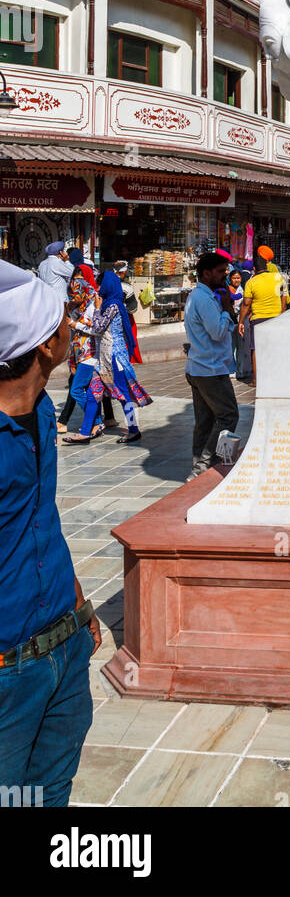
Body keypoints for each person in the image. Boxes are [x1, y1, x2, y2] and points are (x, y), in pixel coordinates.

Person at [0, 259, 101, 806]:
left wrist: (80, 608)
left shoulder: (39, 412)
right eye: (65, 319)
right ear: (45, 346)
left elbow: (42, 521)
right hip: (6, 672)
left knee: (49, 794)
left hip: (62, 646)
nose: (73, 327)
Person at [63, 271, 152, 446]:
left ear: (108, 286)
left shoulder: (113, 306)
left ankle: (133, 430)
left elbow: (98, 327)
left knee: (123, 395)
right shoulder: (109, 305)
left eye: (100, 285)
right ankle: (84, 433)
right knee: (92, 394)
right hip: (103, 358)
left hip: (114, 357)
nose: (98, 288)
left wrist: (96, 309)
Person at [183, 252, 239, 480]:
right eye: (220, 271)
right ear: (206, 273)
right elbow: (217, 333)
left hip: (201, 366)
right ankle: (207, 464)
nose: (225, 275)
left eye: (226, 271)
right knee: (228, 416)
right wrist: (226, 310)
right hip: (210, 369)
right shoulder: (204, 299)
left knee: (205, 422)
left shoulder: (200, 296)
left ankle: (198, 470)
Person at [56, 252, 117, 435]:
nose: (73, 298)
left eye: (75, 295)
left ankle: (96, 421)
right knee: (89, 390)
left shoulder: (93, 306)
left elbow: (96, 330)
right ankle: (100, 420)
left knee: (75, 390)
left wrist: (76, 324)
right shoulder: (79, 305)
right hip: (79, 352)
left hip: (89, 353)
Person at [238, 246, 288, 385]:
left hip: (258, 320)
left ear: (254, 268)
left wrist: (241, 321)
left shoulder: (251, 282)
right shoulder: (278, 278)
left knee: (256, 349)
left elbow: (246, 304)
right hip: (276, 318)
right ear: (267, 265)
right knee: (276, 348)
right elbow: (284, 294)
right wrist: (282, 312)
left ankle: (256, 380)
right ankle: (277, 375)